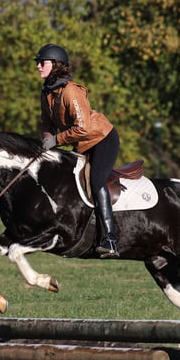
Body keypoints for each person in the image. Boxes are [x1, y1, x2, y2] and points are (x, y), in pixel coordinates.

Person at [35, 43, 120, 258]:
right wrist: (47, 142)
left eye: (41, 62)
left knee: (96, 181)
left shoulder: (71, 91)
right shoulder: (47, 92)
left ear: (55, 65)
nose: (37, 66)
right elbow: (47, 123)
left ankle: (110, 239)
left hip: (101, 139)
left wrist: (55, 140)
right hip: (80, 143)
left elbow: (84, 128)